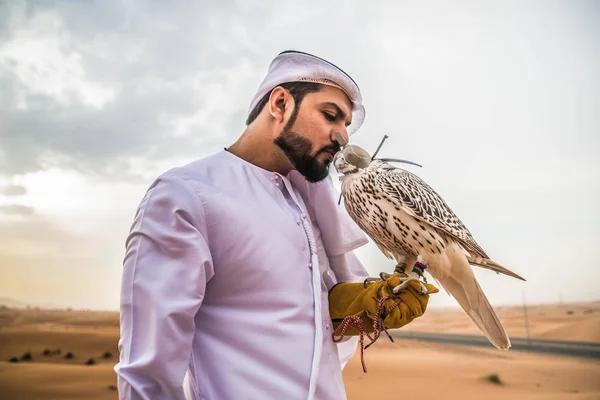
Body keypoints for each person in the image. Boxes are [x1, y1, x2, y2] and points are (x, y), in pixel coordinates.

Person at [114, 50, 437, 400]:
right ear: (280, 103)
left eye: (346, 125)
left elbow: (312, 323)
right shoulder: (186, 196)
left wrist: (359, 306)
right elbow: (147, 375)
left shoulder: (311, 203)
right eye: (331, 116)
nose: (343, 137)